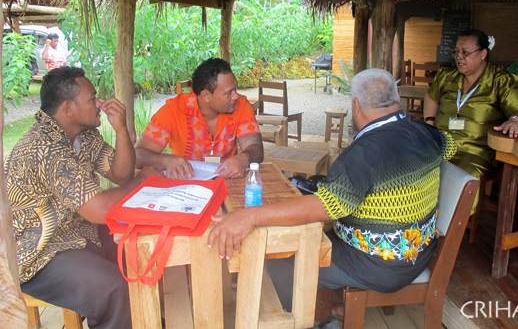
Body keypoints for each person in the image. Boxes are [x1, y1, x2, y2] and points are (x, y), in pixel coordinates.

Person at [207, 69, 457, 311]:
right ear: (397, 100)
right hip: (419, 253)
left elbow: (323, 208)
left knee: (279, 259)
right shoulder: (428, 133)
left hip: (375, 265)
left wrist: (249, 216)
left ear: (356, 106)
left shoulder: (364, 153)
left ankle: (295, 318)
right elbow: (453, 147)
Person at [5, 66, 163, 329]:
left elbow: (120, 175)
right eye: (92, 98)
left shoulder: (82, 135)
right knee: (113, 288)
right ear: (69, 108)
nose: (100, 103)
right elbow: (99, 209)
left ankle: (144, 320)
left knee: (138, 251)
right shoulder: (45, 146)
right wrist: (141, 182)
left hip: (77, 232)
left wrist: (121, 129)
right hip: (39, 253)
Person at [423, 29, 518, 214]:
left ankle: (450, 228)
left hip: (476, 151)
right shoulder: (448, 76)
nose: (459, 57)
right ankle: (418, 219)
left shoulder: (500, 81)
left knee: (462, 175)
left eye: (465, 52)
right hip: (440, 143)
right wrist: (429, 121)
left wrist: (517, 121)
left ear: (483, 53)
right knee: (413, 163)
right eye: (456, 51)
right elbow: (431, 96)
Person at [135, 57, 263, 179]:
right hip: (185, 186)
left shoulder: (240, 106)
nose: (236, 96)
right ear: (206, 96)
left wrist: (245, 158)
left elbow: (256, 148)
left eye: (235, 88)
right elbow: (138, 154)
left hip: (228, 181)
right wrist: (166, 160)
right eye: (229, 92)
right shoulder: (174, 111)